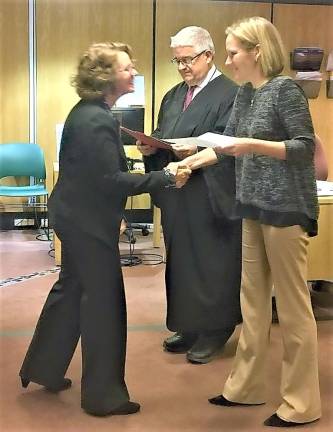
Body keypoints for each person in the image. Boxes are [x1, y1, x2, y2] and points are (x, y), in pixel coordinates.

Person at [19, 42, 190, 417]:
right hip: (86, 222)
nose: (133, 72)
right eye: (127, 67)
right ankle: (102, 397)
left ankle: (43, 368)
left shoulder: (91, 114)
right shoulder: (96, 119)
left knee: (71, 291)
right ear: (106, 77)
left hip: (77, 214)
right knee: (104, 305)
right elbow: (109, 181)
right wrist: (164, 177)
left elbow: (97, 177)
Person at [179, 16, 321, 428]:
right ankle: (245, 387)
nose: (228, 60)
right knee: (252, 305)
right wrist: (191, 160)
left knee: (293, 310)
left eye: (233, 52)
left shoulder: (285, 91)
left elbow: (302, 147)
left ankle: (301, 404)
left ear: (257, 51)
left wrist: (252, 145)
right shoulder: (245, 94)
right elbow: (226, 146)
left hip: (285, 210)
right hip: (252, 207)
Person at [137, 26, 242, 364]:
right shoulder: (172, 95)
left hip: (211, 191)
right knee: (180, 260)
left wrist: (196, 148)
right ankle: (189, 324)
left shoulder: (233, 94)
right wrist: (149, 144)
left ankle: (215, 329)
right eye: (177, 60)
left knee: (212, 262)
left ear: (209, 55)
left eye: (188, 59)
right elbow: (163, 132)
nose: (182, 66)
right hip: (177, 191)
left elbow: (233, 143)